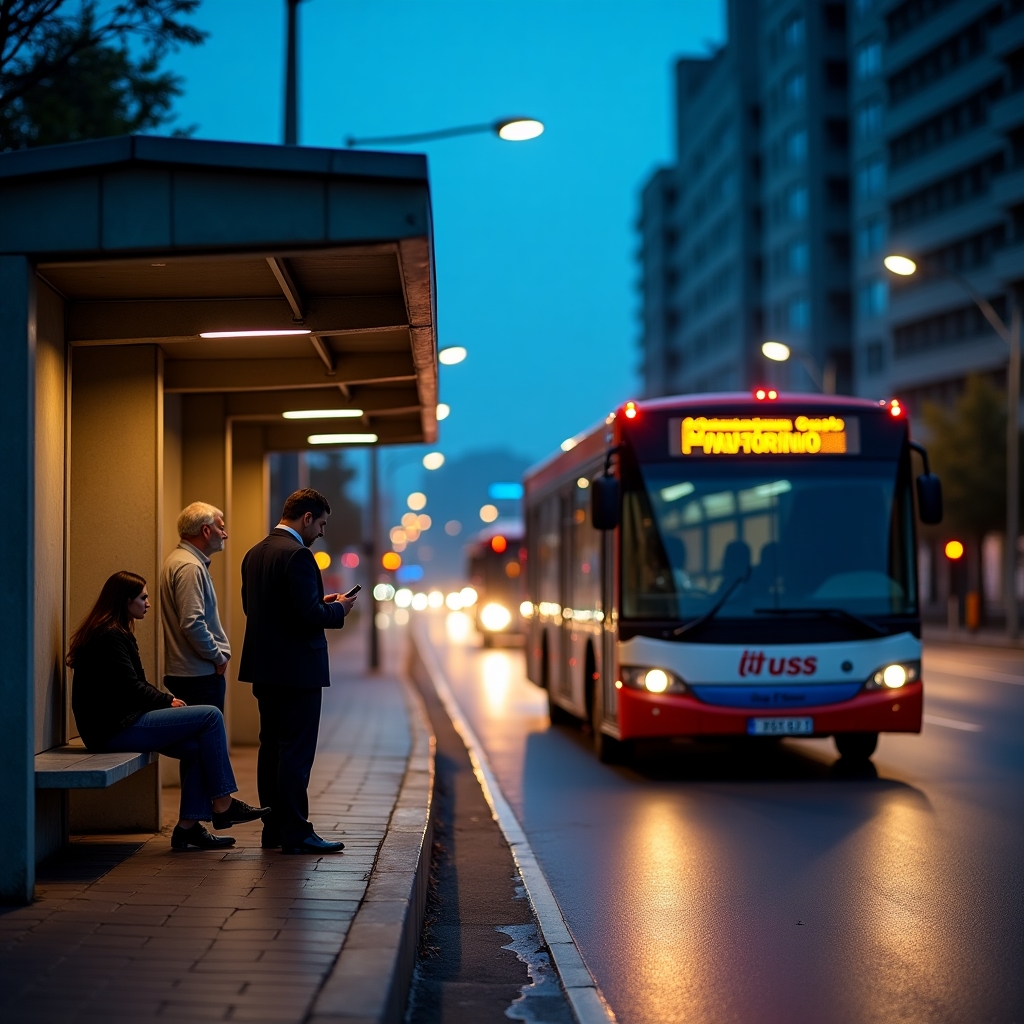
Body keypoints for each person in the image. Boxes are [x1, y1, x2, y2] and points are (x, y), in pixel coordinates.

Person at [69, 571, 268, 851]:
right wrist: (167, 701)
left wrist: (165, 699)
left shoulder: (114, 631)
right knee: (210, 715)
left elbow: (132, 685)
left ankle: (188, 828)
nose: (148, 603)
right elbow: (131, 687)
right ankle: (223, 804)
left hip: (119, 722)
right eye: (143, 597)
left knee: (201, 747)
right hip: (113, 728)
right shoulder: (110, 636)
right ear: (125, 601)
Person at [239, 488, 357, 854]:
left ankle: (273, 828)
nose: (321, 531)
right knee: (295, 753)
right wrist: (338, 610)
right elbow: (308, 617)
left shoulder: (255, 553)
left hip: (264, 668)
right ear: (307, 518)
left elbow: (261, 608)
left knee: (270, 749)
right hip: (298, 672)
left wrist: (318, 602)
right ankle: (297, 832)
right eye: (321, 523)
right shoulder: (299, 556)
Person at [161, 502, 231, 712]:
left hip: (189, 674)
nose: (225, 534)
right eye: (221, 527)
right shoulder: (189, 566)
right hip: (198, 676)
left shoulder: (179, 561)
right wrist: (217, 657)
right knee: (205, 741)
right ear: (206, 530)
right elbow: (192, 623)